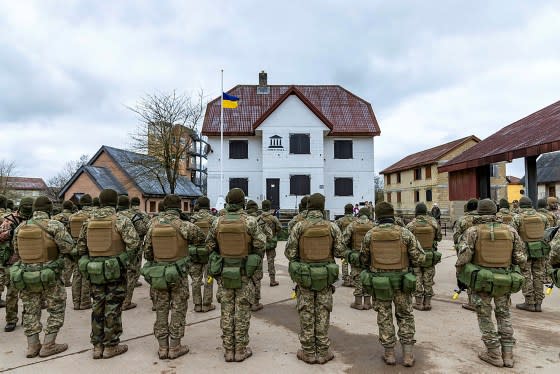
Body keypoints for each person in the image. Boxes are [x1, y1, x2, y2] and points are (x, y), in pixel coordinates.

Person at [455, 199, 526, 368]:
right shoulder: (511, 231)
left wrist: (461, 271)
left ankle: (493, 353)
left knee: (485, 316)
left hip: (482, 281)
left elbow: (464, 257)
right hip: (504, 281)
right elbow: (521, 258)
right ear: (495, 212)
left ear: (479, 212)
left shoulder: (472, 231)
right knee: (504, 314)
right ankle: (508, 354)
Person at [359, 201, 425, 367]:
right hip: (402, 284)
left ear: (378, 216)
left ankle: (389, 354)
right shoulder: (405, 233)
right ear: (392, 214)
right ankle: (408, 355)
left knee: (384, 316)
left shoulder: (370, 234)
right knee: (405, 315)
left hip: (380, 285)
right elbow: (420, 258)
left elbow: (363, 259)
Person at [77, 189, 140, 359]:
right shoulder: (121, 220)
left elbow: (81, 248)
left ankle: (97, 346)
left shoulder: (88, 222)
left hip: (94, 271)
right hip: (115, 271)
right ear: (116, 203)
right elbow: (134, 245)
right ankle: (111, 346)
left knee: (97, 306)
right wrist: (122, 261)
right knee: (112, 306)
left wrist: (90, 262)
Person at [142, 194, 206, 359]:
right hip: (178, 273)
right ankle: (175, 346)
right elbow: (201, 238)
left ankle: (163, 347)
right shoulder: (184, 225)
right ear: (179, 207)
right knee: (178, 308)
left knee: (161, 309)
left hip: (158, 274)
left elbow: (147, 253)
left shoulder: (152, 225)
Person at [206, 188, 266, 362]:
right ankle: (240, 350)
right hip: (244, 273)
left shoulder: (217, 222)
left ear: (227, 201)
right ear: (243, 203)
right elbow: (261, 244)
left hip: (224, 273)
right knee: (242, 311)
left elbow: (209, 246)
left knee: (226, 311)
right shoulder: (250, 222)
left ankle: (228, 350)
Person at [285, 193, 344, 364]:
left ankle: (309, 352)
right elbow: (340, 252)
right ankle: (323, 352)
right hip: (325, 277)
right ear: (322, 206)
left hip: (304, 277)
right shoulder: (332, 227)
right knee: (323, 311)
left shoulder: (299, 227)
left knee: (306, 312)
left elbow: (289, 253)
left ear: (309, 206)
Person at [12, 196, 74, 358]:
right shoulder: (54, 225)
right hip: (50, 275)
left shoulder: (21, 227)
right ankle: (49, 344)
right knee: (56, 308)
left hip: (27, 276)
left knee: (30, 310)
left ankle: (32, 346)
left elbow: (16, 251)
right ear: (49, 209)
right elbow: (68, 247)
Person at [0, 197, 33, 331]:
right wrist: (12, 232)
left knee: (29, 292)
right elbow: (0, 235)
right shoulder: (10, 219)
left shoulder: (36, 219)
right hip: (13, 260)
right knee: (12, 293)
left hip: (30, 259)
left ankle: (27, 317)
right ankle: (11, 320)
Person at [512, 196, 549, 312]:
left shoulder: (517, 218)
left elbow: (512, 235)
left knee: (526, 275)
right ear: (531, 205)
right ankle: (538, 303)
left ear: (520, 206)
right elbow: (547, 234)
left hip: (524, 251)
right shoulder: (543, 217)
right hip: (540, 251)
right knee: (539, 275)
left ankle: (529, 302)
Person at [406, 202, 442, 311]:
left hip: (416, 256)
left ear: (416, 212)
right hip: (429, 256)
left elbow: (406, 240)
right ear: (426, 211)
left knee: (417, 277)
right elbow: (439, 238)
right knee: (428, 278)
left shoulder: (411, 225)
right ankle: (427, 303)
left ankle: (418, 302)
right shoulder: (433, 222)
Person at [116, 195, 150, 311]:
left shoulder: (113, 215)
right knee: (132, 271)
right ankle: (126, 301)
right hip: (133, 246)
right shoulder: (136, 215)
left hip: (115, 248)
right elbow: (143, 230)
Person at [189, 196, 217, 312]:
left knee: (195, 279)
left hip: (194, 253)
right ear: (208, 206)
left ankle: (197, 304)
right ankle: (207, 303)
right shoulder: (213, 219)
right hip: (209, 253)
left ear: (198, 206)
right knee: (209, 278)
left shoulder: (192, 219)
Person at [343, 207, 374, 310]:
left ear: (359, 215)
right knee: (368, 277)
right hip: (370, 257)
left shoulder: (353, 225)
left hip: (356, 256)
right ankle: (368, 303)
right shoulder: (373, 225)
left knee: (357, 277)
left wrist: (348, 252)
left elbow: (344, 240)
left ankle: (358, 303)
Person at [68, 194, 94, 310]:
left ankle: (76, 302)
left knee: (76, 274)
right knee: (86, 274)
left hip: (75, 249)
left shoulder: (72, 217)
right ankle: (85, 301)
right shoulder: (92, 216)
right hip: (89, 248)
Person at [245, 200, 272, 312]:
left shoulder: (242, 220)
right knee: (256, 278)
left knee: (245, 278)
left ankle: (246, 300)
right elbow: (269, 236)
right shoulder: (260, 221)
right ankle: (255, 302)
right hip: (256, 255)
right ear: (256, 209)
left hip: (242, 254)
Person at [453, 198, 479, 311]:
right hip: (482, 251)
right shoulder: (481, 218)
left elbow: (455, 237)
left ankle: (471, 302)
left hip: (466, 250)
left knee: (469, 273)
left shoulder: (462, 220)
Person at [259, 200, 282, 287]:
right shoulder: (273, 218)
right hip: (271, 244)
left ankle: (257, 280)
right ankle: (272, 280)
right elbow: (279, 228)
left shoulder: (258, 218)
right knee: (271, 262)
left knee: (259, 262)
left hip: (260, 244)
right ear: (269, 207)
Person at [52, 200, 75, 287]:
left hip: (56, 242)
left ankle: (58, 278)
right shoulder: (73, 217)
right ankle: (66, 280)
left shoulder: (55, 217)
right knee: (69, 262)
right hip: (69, 241)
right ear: (71, 207)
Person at [335, 204, 356, 287]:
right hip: (354, 245)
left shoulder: (340, 220)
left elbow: (336, 231)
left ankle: (346, 280)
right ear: (352, 210)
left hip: (344, 246)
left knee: (344, 262)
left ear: (345, 210)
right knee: (354, 262)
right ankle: (354, 279)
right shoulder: (356, 220)